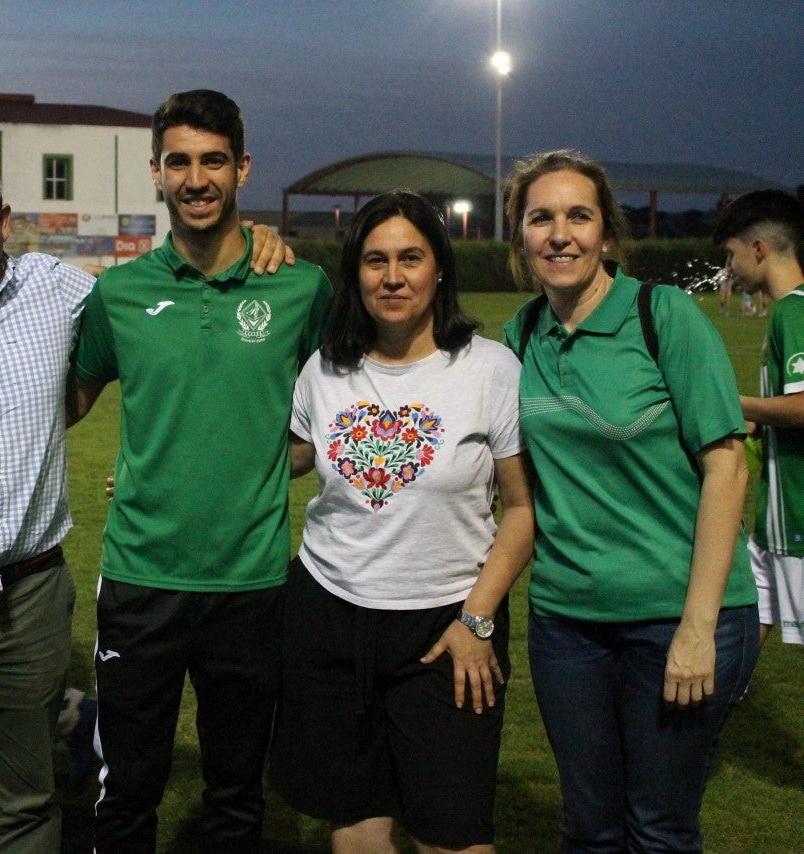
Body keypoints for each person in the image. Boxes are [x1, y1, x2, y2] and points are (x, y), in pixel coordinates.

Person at [0, 145, 292, 851]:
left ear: (4, 220)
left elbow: (162, 297)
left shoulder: (59, 290)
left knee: (26, 803)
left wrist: (253, 237)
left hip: (29, 599)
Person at [69, 89, 333, 851]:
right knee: (127, 794)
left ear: (242, 168)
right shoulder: (119, 294)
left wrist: (264, 461)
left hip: (250, 587)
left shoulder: (300, 288)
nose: (196, 178)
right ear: (155, 172)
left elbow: (333, 418)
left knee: (235, 798)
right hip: (141, 580)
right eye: (179, 161)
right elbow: (69, 402)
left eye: (213, 160)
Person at [501, 149, 759, 852]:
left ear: (606, 234)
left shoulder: (661, 315)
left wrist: (697, 629)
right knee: (588, 828)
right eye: (541, 218)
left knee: (658, 830)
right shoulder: (519, 336)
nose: (561, 234)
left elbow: (727, 467)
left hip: (676, 617)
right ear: (520, 237)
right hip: (566, 625)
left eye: (579, 216)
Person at [267, 190, 533, 854]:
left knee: (454, 834)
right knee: (355, 823)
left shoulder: (491, 370)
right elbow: (291, 456)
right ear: (354, 273)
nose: (393, 277)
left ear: (439, 268)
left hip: (447, 626)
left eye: (411, 258)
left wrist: (477, 619)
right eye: (375, 260)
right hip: (329, 614)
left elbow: (524, 510)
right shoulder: (326, 367)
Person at [713, 189, 804, 648]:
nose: (729, 269)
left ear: (759, 249)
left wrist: (737, 403)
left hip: (798, 518)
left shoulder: (795, 312)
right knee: (741, 615)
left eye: (732, 255)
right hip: (777, 516)